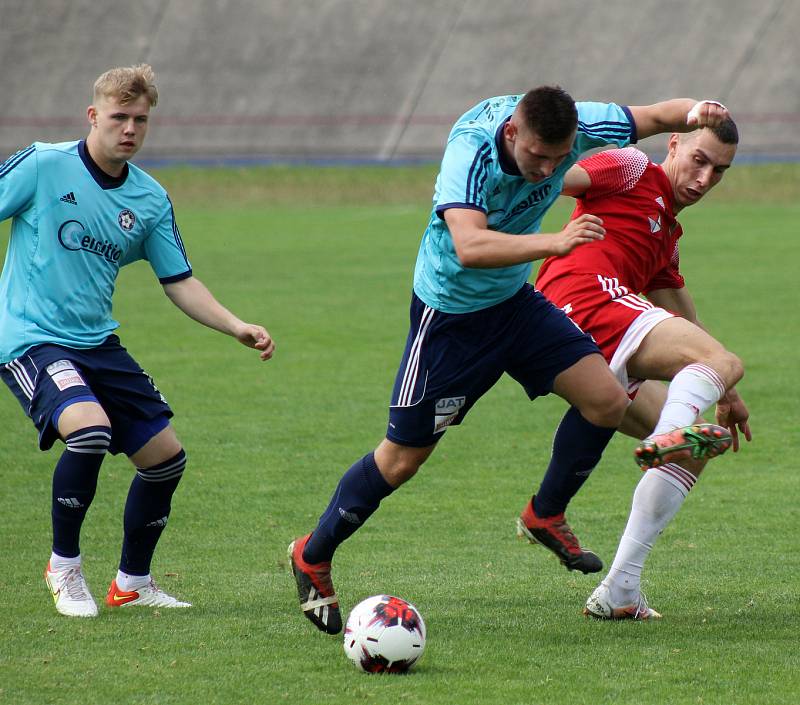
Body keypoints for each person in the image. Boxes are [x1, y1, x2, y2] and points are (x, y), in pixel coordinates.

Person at [289, 85, 730, 635]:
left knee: (607, 401)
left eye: (558, 157)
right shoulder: (469, 152)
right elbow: (470, 247)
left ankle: (545, 513)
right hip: (450, 317)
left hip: (516, 306)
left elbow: (656, 116)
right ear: (514, 133)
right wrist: (555, 243)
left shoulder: (582, 125)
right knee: (401, 460)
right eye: (537, 157)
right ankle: (313, 551)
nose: (547, 170)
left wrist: (698, 111)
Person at [0, 64, 275, 618]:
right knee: (90, 431)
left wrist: (235, 324)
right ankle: (65, 567)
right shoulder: (44, 164)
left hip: (97, 341)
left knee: (165, 460)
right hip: (30, 337)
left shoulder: (149, 199)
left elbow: (179, 281)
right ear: (93, 115)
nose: (129, 128)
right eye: (119, 117)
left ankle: (132, 582)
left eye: (140, 120)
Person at [527, 118, 751, 619]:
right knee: (720, 366)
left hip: (590, 325)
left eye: (720, 171)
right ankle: (670, 433)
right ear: (674, 143)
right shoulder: (630, 166)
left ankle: (620, 591)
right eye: (699, 160)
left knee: (693, 450)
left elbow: (681, 311)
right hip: (583, 298)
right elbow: (556, 176)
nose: (705, 179)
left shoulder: (666, 231)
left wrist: (727, 392)